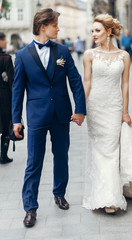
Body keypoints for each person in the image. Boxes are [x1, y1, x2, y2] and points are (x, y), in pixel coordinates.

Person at [12, 8, 86, 228]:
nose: (58, 28)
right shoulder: (23, 56)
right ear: (43, 26)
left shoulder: (63, 51)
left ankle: (59, 193)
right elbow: (18, 90)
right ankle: (30, 208)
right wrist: (16, 119)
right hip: (36, 116)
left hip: (61, 113)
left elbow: (76, 81)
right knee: (33, 162)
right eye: (55, 25)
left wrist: (80, 109)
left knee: (61, 156)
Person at [82, 14, 132, 214]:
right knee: (100, 150)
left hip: (114, 107)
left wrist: (125, 111)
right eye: (92, 31)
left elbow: (125, 84)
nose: (94, 34)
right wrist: (80, 107)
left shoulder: (124, 56)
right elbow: (87, 83)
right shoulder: (88, 55)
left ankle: (113, 194)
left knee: (113, 148)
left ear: (108, 31)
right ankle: (107, 196)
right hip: (95, 106)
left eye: (97, 30)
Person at [0, 32, 14, 164]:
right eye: (4, 40)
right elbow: (12, 82)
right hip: (4, 97)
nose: (6, 42)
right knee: (5, 125)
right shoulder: (6, 58)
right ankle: (3, 155)